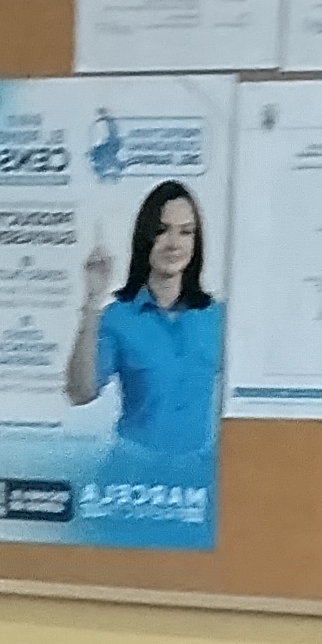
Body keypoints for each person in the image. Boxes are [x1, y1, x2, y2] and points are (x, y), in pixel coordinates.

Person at [63, 179, 219, 491]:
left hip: (198, 479)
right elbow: (80, 392)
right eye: (162, 230)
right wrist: (92, 300)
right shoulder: (118, 317)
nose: (174, 243)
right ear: (144, 237)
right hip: (132, 477)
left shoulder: (217, 317)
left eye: (186, 232)